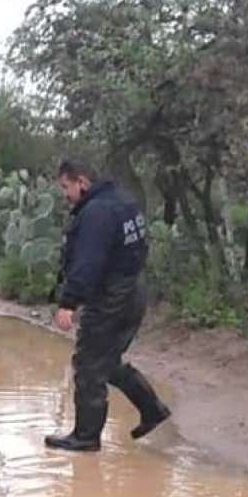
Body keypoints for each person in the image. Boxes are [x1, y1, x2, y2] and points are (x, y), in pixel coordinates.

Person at [46, 160, 170, 452]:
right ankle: (153, 409)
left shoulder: (97, 212)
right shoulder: (125, 201)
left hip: (112, 298)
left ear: (82, 182)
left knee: (89, 364)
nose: (65, 194)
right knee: (107, 360)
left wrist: (68, 303)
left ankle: (86, 437)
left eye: (66, 187)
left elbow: (88, 262)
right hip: (134, 289)